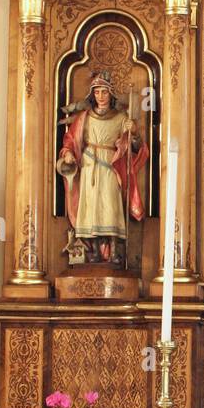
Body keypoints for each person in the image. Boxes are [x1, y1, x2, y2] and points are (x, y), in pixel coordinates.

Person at [56, 69, 147, 264]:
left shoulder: (121, 117)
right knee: (91, 207)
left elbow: (135, 146)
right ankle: (95, 251)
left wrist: (134, 132)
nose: (101, 96)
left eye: (104, 92)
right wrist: (69, 153)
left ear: (110, 94)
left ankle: (115, 250)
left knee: (111, 204)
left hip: (110, 164)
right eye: (97, 92)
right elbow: (70, 140)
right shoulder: (84, 118)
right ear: (92, 95)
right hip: (89, 165)